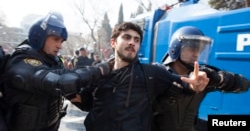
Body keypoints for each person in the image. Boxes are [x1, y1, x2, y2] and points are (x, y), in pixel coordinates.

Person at [71, 22, 210, 131]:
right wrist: (69, 93)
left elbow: (181, 82)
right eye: (127, 37)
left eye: (136, 40)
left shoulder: (151, 73)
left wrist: (193, 85)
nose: (132, 42)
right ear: (113, 42)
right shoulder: (98, 73)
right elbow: (87, 102)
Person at [0, 11, 109, 131]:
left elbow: (72, 93)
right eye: (56, 39)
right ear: (40, 36)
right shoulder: (21, 62)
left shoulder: (52, 61)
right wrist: (99, 70)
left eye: (61, 41)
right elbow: (60, 82)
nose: (60, 45)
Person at [152, 26, 250, 131]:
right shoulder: (158, 73)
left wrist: (220, 78)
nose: (197, 54)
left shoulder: (202, 76)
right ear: (175, 48)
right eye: (192, 48)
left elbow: (244, 84)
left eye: (199, 50)